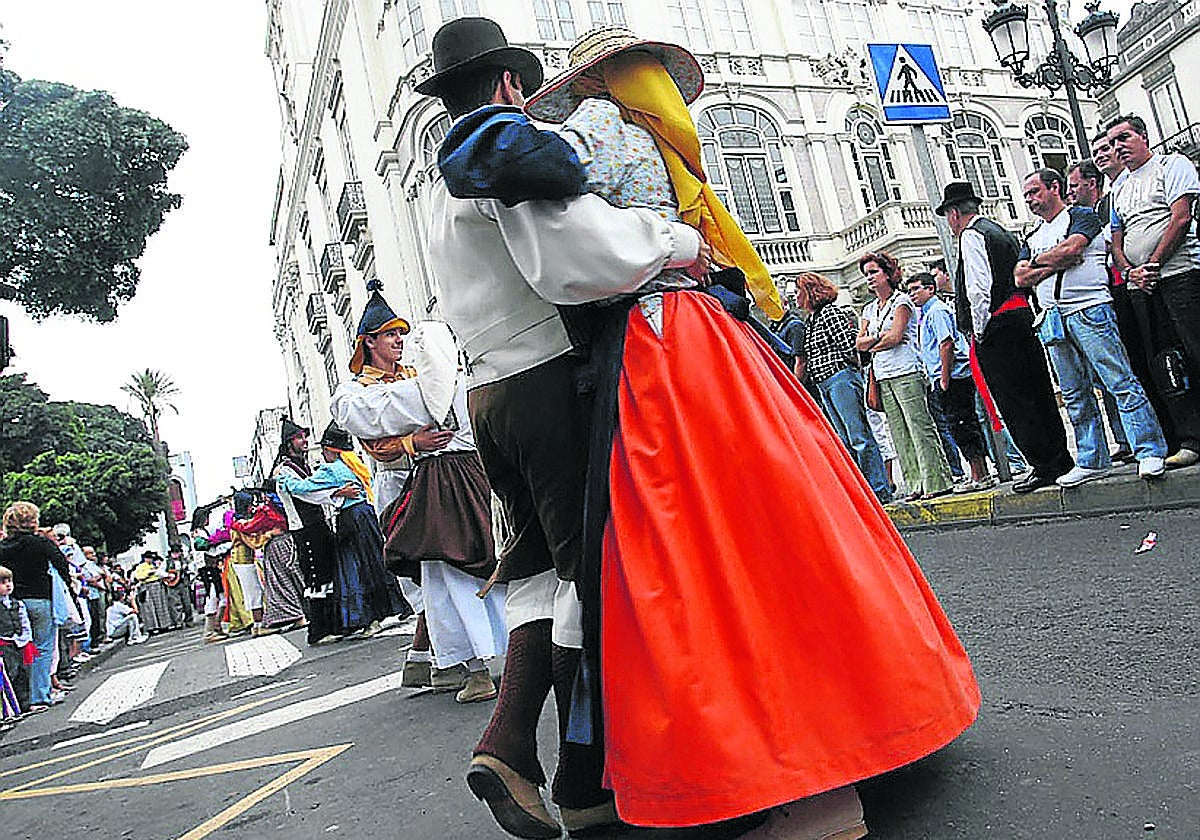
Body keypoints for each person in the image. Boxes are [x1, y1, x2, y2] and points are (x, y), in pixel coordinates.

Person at [452, 22, 981, 835]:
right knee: (776, 532)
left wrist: (483, 138)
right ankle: (847, 737)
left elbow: (566, 248)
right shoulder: (667, 148)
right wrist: (682, 240)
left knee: (689, 555)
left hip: (648, 348)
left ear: (591, 83)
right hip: (705, 340)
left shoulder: (596, 128)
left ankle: (776, 784)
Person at [419, 17, 715, 838]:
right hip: (546, 381)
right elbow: (575, 258)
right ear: (510, 84)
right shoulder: (499, 155)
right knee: (590, 570)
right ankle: (579, 775)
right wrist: (677, 237)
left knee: (537, 576)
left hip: (488, 394)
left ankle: (515, 747)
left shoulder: (439, 187)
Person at [345, 321, 509, 704]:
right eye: (391, 335)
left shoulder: (412, 393)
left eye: (405, 339)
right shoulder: (462, 384)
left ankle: (466, 668)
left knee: (442, 578)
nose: (400, 344)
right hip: (459, 478)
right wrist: (412, 442)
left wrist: (413, 441)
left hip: (436, 486)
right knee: (483, 566)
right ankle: (451, 661)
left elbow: (354, 412)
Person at [1014, 168, 1167, 485]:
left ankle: (1149, 450)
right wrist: (1053, 261)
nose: (1029, 199)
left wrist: (1041, 262)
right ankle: (1091, 458)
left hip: (1089, 308)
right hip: (1053, 317)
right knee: (1074, 393)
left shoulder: (1080, 217)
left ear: (1054, 188)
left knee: (1119, 380)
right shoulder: (1033, 235)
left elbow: (1073, 249)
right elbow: (1020, 277)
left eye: (1034, 191)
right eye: (1026, 194)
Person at [937, 180, 1075, 493]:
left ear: (954, 213)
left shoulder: (972, 236)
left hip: (999, 323)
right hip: (1020, 316)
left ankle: (1043, 463)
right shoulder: (999, 231)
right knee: (1038, 391)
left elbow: (978, 289)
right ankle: (1058, 457)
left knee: (1015, 399)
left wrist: (980, 329)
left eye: (948, 216)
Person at [1107, 113, 1200, 469]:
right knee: (1166, 364)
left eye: (1124, 138)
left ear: (1143, 136)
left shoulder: (1171, 165)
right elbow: (1117, 241)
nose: (1118, 147)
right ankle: (1189, 438)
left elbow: (1181, 218)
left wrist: (1154, 263)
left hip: (1180, 275)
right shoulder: (1119, 188)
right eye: (1113, 142)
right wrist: (1131, 271)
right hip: (1142, 287)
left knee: (1195, 349)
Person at [277, 421, 411, 638]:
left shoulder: (330, 469)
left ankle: (369, 618)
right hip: (365, 515)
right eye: (300, 437)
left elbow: (304, 488)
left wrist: (286, 483)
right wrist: (338, 492)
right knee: (376, 561)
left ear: (331, 450)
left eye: (323, 449)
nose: (321, 453)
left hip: (350, 519)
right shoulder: (353, 464)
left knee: (355, 568)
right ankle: (399, 604)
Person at [854, 251, 954, 500]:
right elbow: (859, 343)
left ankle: (936, 480)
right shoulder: (869, 309)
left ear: (887, 273)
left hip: (907, 370)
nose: (870, 278)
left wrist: (873, 342)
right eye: (867, 274)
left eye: (874, 272)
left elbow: (897, 336)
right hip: (883, 373)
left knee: (919, 427)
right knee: (899, 432)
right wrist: (879, 339)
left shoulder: (902, 301)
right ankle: (915, 483)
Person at [793, 271, 892, 503]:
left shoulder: (830, 313)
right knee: (845, 440)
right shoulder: (811, 320)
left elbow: (849, 344)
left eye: (798, 291)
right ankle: (865, 489)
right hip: (824, 381)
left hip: (839, 377)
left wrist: (853, 369)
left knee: (858, 435)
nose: (795, 296)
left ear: (809, 292)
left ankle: (878, 488)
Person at [908, 271, 994, 489]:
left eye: (916, 289)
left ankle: (979, 474)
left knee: (962, 423)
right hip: (944, 376)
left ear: (930, 289)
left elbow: (946, 343)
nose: (912, 295)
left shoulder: (937, 311)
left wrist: (944, 378)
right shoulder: (927, 313)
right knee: (959, 424)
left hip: (953, 376)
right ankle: (978, 472)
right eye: (910, 291)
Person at [272, 419, 339, 645]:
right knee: (315, 577)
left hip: (317, 525)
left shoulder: (303, 465)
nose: (305, 441)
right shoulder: (285, 471)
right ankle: (317, 630)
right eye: (299, 438)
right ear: (289, 443)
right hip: (305, 529)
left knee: (326, 574)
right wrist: (335, 495)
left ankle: (331, 624)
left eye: (304, 437)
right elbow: (305, 494)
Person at [0, 502, 71, 714]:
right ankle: (40, 695)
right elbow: (61, 564)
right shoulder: (40, 543)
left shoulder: (3, 547)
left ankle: (19, 698)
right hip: (40, 599)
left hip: (11, 603)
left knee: (18, 648)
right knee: (42, 647)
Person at [0, 565, 33, 715]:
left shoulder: (17, 604)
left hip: (19, 642)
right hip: (4, 644)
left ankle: (24, 704)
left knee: (22, 673)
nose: (8, 585)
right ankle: (11, 708)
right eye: (3, 582)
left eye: (9, 581)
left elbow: (25, 622)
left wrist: (25, 639)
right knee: (9, 674)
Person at [163, 544, 195, 629]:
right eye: (174, 553)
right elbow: (159, 572)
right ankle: (178, 622)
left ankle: (189, 620)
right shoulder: (167, 562)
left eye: (177, 552)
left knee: (187, 603)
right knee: (175, 604)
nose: (176, 555)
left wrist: (187, 569)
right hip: (172, 585)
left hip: (183, 583)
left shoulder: (184, 561)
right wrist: (168, 575)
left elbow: (191, 570)